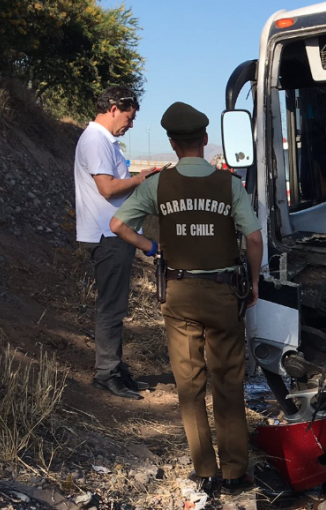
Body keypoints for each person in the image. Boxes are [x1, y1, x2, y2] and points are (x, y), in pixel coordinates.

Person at [110, 101, 262, 495]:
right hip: (224, 292)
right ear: (205, 140)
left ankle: (205, 470)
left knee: (190, 386)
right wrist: (256, 282)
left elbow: (117, 224)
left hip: (178, 293)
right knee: (229, 383)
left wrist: (151, 247)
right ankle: (234, 473)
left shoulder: (157, 185)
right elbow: (254, 237)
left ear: (174, 145)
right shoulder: (229, 185)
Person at [74, 86, 153, 400]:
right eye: (129, 118)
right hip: (107, 235)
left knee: (116, 306)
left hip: (112, 234)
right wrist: (140, 179)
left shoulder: (104, 141)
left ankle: (115, 369)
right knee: (111, 307)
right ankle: (106, 374)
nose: (130, 125)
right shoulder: (95, 139)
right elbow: (107, 188)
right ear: (114, 107)